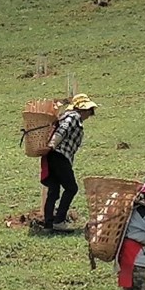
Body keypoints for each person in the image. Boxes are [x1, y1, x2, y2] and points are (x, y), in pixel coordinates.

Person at [41, 93, 97, 232]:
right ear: (82, 109)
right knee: (72, 188)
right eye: (88, 111)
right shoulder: (74, 117)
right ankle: (59, 221)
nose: (89, 115)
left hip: (52, 156)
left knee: (54, 191)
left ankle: (48, 224)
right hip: (59, 156)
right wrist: (53, 145)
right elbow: (62, 131)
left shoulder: (67, 116)